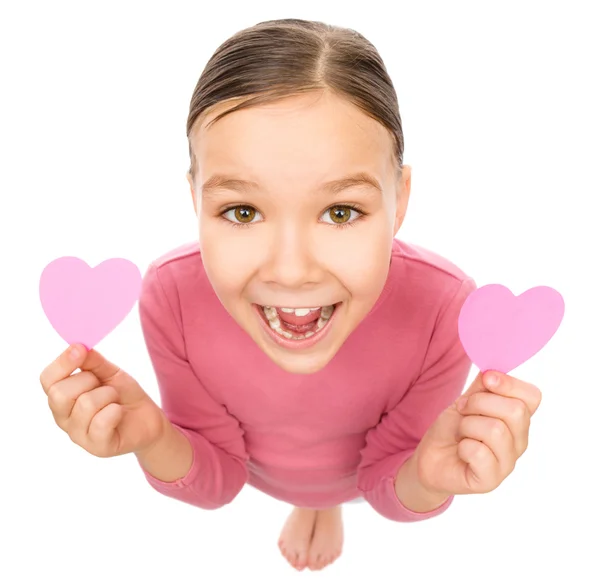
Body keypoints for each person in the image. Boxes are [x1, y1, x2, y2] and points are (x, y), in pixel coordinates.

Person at [39, 18, 542, 572]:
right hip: (260, 474)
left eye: (340, 212)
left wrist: (425, 474)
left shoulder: (444, 309)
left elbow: (381, 479)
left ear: (399, 201)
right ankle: (311, 498)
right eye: (243, 211)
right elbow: (221, 478)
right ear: (195, 199)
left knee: (335, 492)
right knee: (309, 491)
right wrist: (152, 434)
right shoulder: (171, 295)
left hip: (359, 477)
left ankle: (323, 501)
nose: (291, 270)